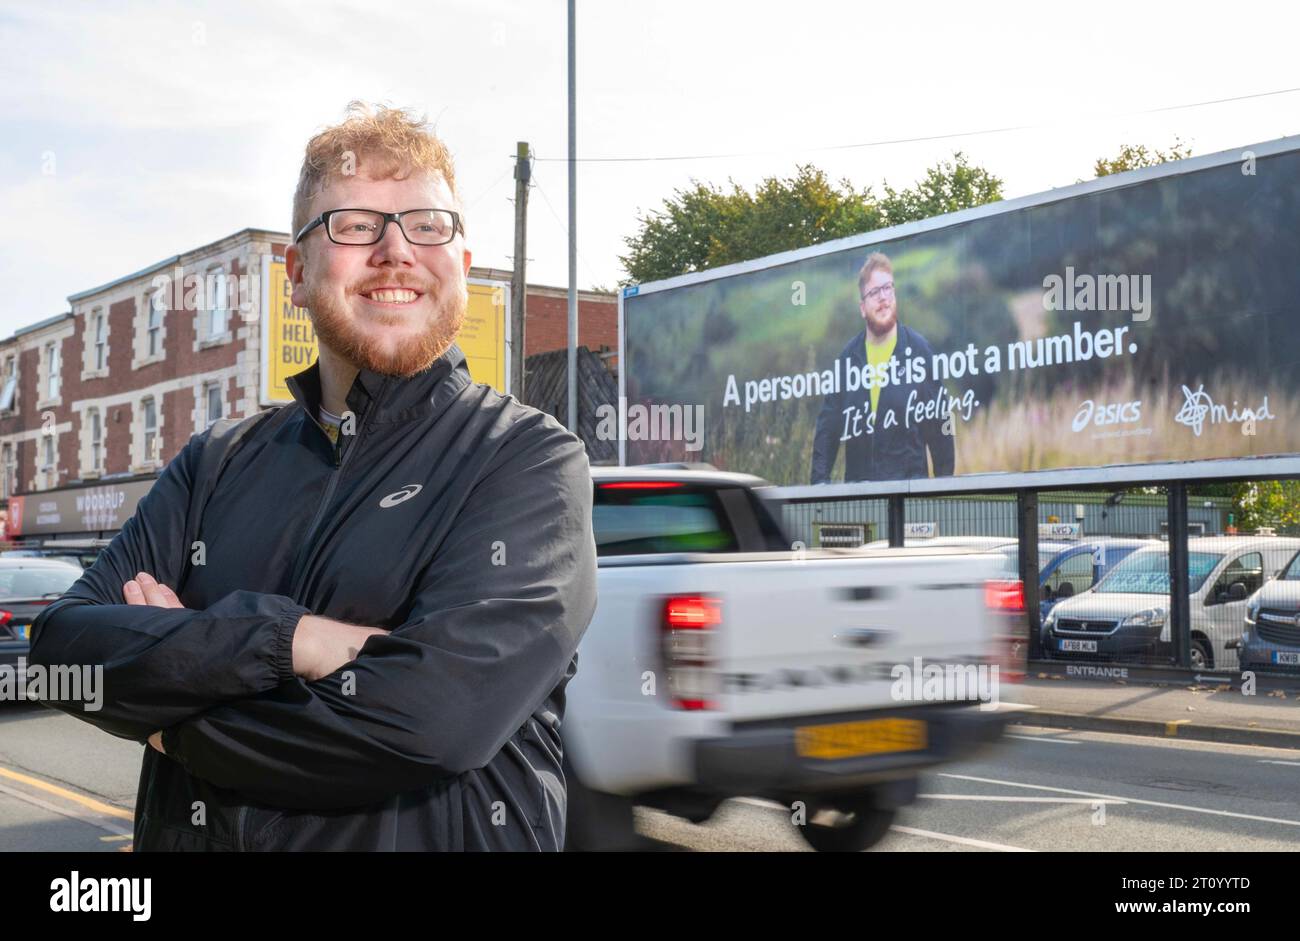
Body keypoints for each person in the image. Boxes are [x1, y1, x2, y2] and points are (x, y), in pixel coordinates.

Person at [28, 102, 598, 851]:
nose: (396, 250)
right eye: (355, 225)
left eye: (428, 224)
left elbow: (427, 722)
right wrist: (289, 638)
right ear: (296, 273)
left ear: (460, 263)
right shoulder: (216, 460)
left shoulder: (525, 459)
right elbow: (62, 651)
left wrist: (171, 714)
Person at [810, 252, 955, 483]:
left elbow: (941, 428)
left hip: (911, 499)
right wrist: (819, 484)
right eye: (874, 292)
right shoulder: (847, 360)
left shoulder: (919, 351)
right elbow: (827, 430)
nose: (883, 297)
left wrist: (943, 491)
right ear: (862, 307)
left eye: (888, 288)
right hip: (860, 501)